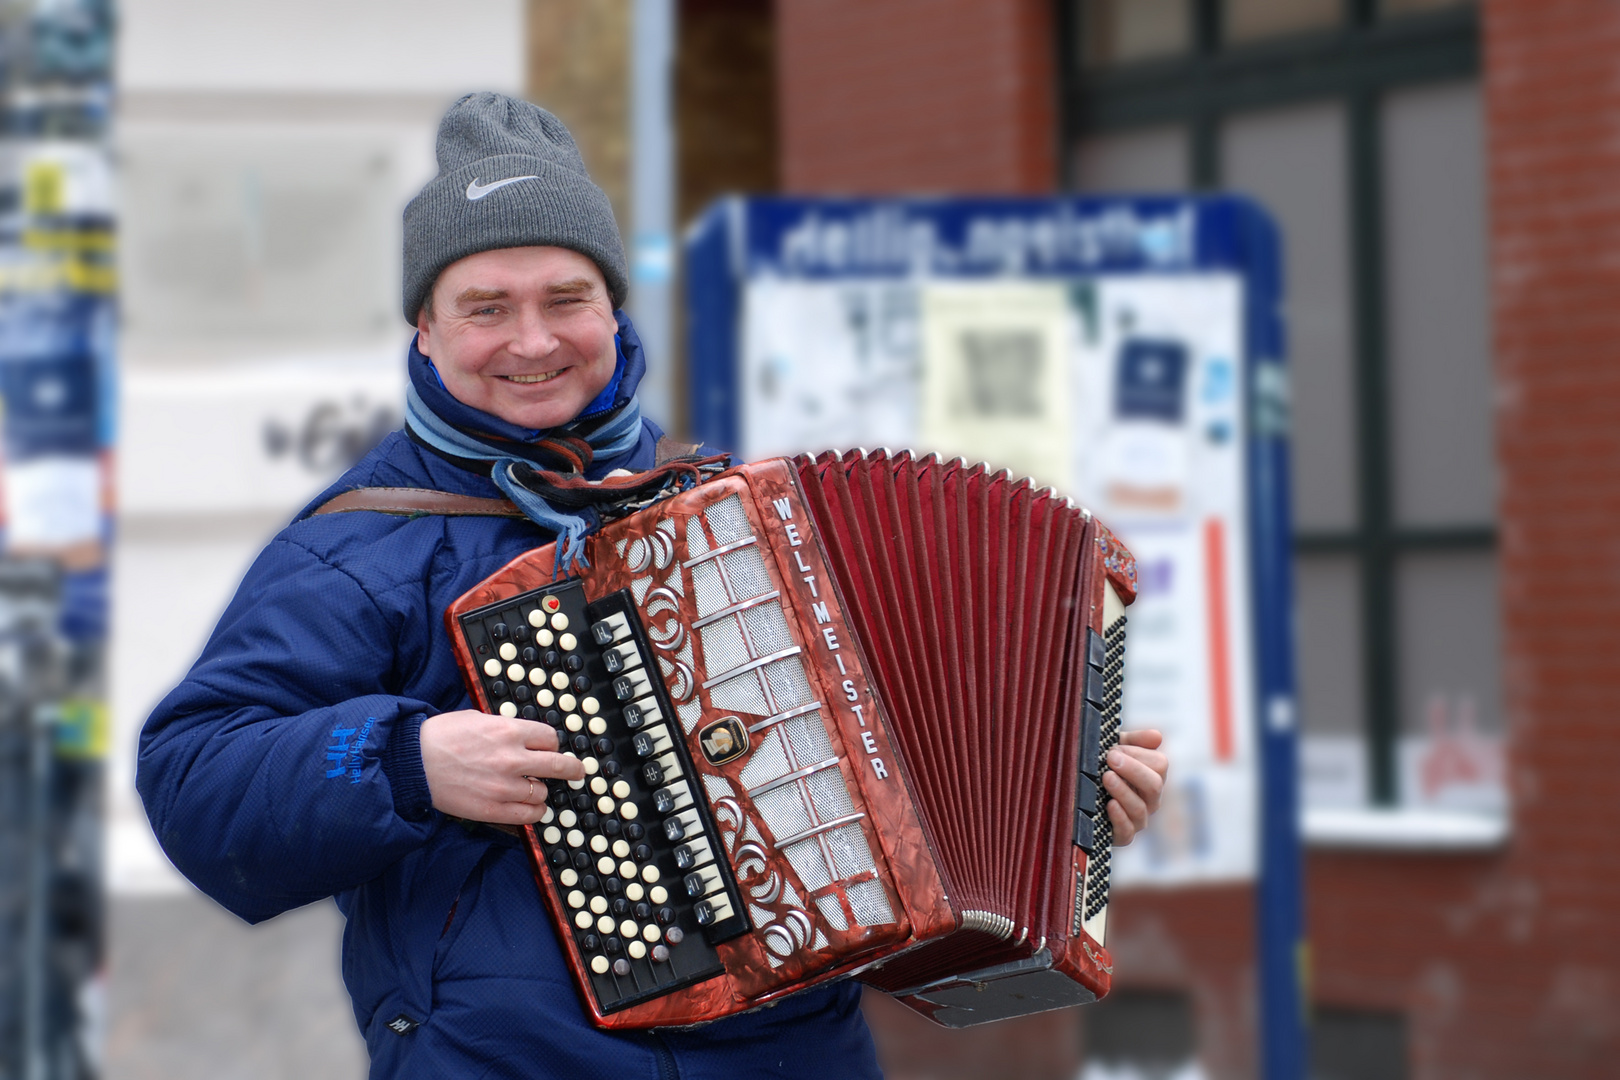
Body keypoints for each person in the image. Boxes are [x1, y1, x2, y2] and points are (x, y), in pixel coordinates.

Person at [137, 93, 1170, 1079]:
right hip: (507, 1063)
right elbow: (193, 774)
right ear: (427, 330)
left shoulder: (742, 511)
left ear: (612, 307)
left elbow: (884, 801)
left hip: (791, 1053)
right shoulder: (358, 546)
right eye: (486, 307)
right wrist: (404, 762)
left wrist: (1066, 801)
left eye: (566, 299)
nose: (533, 341)